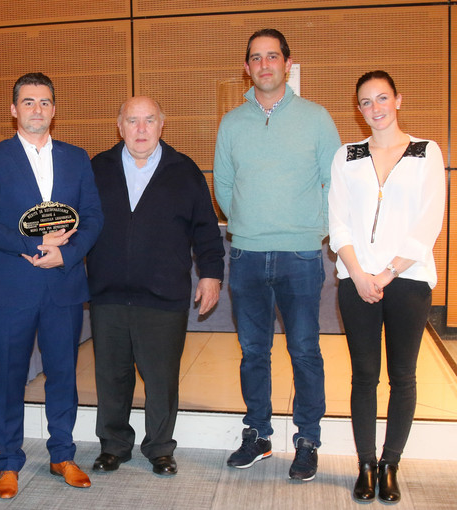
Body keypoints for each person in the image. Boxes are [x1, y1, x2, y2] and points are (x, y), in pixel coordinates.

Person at [213, 28, 341, 481]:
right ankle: (259, 434)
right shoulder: (232, 123)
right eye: (256, 57)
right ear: (246, 67)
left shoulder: (316, 118)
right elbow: (223, 185)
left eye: (272, 56)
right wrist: (249, 223)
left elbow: (334, 182)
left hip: (301, 256)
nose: (264, 64)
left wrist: (314, 230)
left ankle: (307, 440)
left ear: (287, 63)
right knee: (253, 351)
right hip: (246, 255)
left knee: (304, 350)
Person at [0, 72, 103, 499]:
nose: (37, 109)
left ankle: (62, 454)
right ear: (14, 110)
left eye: (44, 102)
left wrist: (69, 253)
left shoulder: (76, 158)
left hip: (63, 284)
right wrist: (33, 244)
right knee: (9, 379)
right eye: (28, 102)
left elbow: (94, 217)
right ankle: (8, 462)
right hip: (11, 287)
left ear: (54, 109)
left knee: (63, 375)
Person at [86, 96, 224, 477]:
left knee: (161, 379)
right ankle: (113, 446)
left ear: (162, 125)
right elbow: (78, 223)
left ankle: (160, 448)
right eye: (133, 121)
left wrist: (211, 274)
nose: (141, 129)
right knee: (111, 376)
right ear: (120, 126)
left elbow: (206, 230)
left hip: (163, 297)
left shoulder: (185, 171)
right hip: (108, 295)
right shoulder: (97, 168)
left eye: (149, 120)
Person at [329, 70, 445, 503]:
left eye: (381, 98)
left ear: (398, 100)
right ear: (358, 109)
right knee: (364, 375)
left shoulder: (425, 152)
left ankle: (390, 463)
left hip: (408, 280)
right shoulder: (348, 155)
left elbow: (428, 222)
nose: (374, 108)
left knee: (403, 375)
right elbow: (338, 221)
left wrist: (386, 274)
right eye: (365, 101)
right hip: (356, 279)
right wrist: (359, 274)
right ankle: (365, 464)